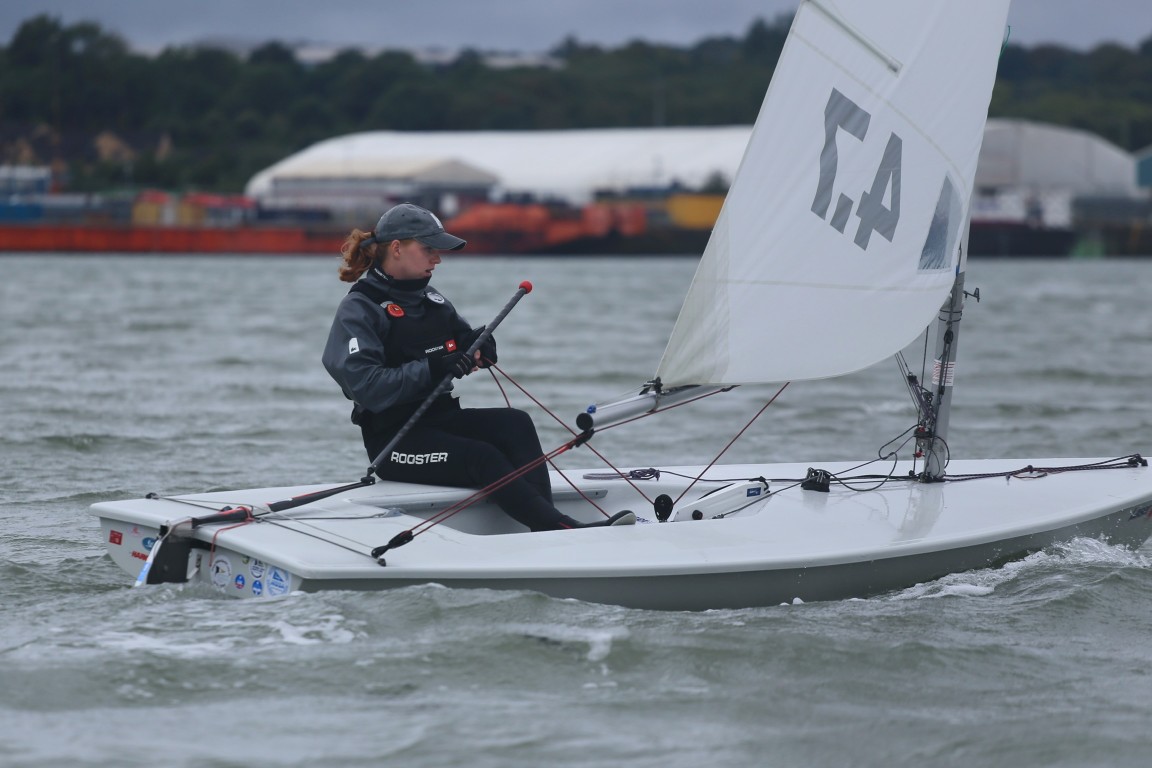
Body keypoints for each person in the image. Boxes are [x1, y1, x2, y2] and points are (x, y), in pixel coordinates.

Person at [322, 202, 634, 531]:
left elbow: (462, 342)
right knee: (482, 456)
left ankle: (546, 524)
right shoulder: (359, 309)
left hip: (441, 420)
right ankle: (558, 528)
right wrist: (434, 367)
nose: (437, 259)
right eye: (429, 249)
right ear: (397, 249)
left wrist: (480, 345)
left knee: (516, 423)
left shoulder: (431, 300)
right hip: (393, 441)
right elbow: (367, 387)